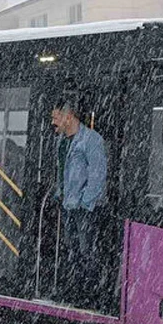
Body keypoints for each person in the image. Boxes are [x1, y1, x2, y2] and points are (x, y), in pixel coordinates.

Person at [51, 97, 108, 306]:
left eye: (56, 117)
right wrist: (61, 194)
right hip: (68, 204)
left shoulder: (91, 140)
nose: (53, 122)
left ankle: (88, 294)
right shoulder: (61, 141)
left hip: (84, 208)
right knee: (72, 250)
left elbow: (97, 174)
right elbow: (61, 172)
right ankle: (72, 291)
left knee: (87, 252)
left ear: (69, 117)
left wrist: (86, 202)